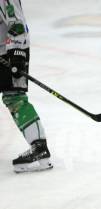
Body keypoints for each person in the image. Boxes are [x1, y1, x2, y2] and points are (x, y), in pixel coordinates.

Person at [0, 0, 52, 173]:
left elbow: (17, 24)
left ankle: (39, 147)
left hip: (11, 52)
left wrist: (17, 55)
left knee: (14, 97)